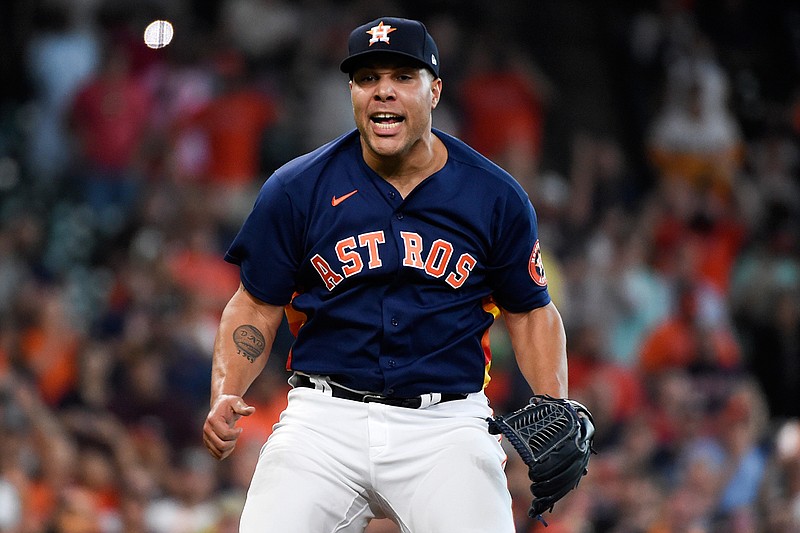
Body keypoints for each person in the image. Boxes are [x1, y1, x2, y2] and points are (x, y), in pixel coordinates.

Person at [202, 16, 569, 532]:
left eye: (402, 77)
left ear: (435, 90)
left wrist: (554, 404)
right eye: (368, 78)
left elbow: (530, 311)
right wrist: (224, 391)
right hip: (323, 423)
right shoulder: (297, 188)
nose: (384, 93)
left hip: (446, 426)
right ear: (352, 91)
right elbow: (254, 304)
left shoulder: (494, 195)